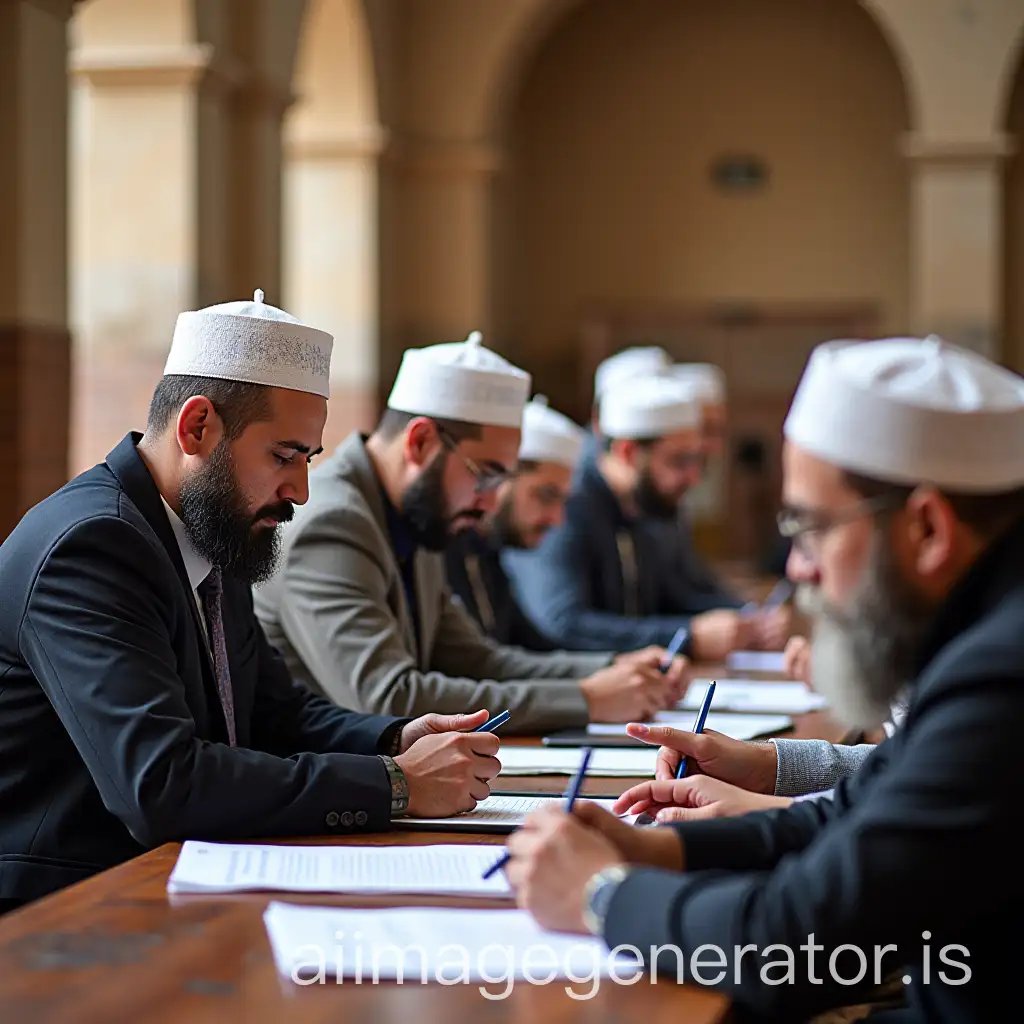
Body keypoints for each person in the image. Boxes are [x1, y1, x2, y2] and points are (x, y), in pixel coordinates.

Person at [500, 334, 1024, 1021]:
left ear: (928, 529)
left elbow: (794, 943)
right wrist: (658, 847)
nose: (799, 571)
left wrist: (601, 893)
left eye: (810, 529)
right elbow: (855, 809)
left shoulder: (1000, 675)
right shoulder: (982, 631)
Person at [0, 292, 503, 914]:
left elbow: (273, 714)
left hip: (172, 880)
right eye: (284, 456)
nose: (299, 489)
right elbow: (160, 782)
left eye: (309, 458)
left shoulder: (213, 529)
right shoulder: (94, 546)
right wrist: (397, 786)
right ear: (197, 427)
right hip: (68, 910)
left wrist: (393, 740)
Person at [253, 332, 687, 735]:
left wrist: (613, 667)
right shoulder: (336, 522)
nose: (490, 503)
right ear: (420, 442)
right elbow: (386, 696)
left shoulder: (414, 513)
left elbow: (477, 660)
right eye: (484, 477)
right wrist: (585, 699)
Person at [504, 373, 789, 657]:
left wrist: (748, 619)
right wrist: (687, 638)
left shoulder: (645, 507)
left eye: (697, 460)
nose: (693, 478)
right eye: (680, 461)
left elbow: (670, 595)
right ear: (627, 451)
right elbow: (563, 624)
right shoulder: (568, 506)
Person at [444, 394, 585, 650]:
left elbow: (533, 650)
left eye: (562, 501)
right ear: (498, 480)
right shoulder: (441, 553)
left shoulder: (489, 555)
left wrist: (614, 668)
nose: (556, 519)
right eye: (545, 496)